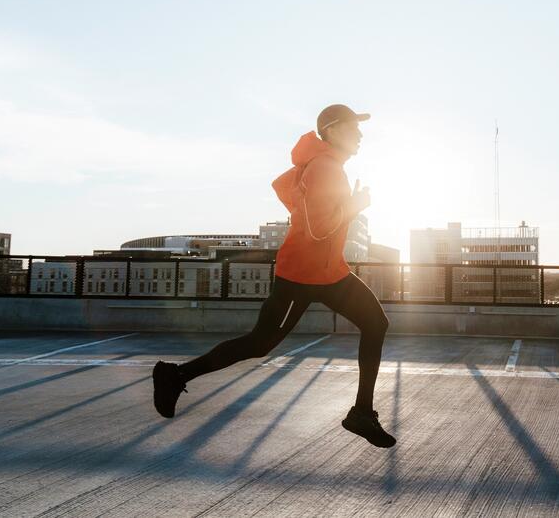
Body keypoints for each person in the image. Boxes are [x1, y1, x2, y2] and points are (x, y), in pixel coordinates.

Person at [152, 104, 395, 447]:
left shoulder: (328, 166)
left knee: (375, 323)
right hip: (300, 275)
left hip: (328, 273)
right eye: (354, 127)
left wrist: (350, 206)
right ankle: (174, 375)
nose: (360, 135)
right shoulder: (325, 168)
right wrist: (355, 206)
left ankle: (362, 413)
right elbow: (317, 230)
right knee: (259, 343)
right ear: (334, 130)